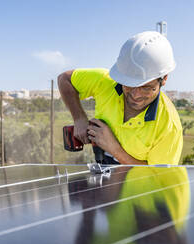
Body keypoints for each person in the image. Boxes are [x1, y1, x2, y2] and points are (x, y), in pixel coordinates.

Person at [58, 31, 182, 165]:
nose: (135, 95)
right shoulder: (105, 82)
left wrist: (114, 148)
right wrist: (79, 118)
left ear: (164, 79)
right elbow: (64, 79)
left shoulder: (169, 126)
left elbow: (156, 176)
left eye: (146, 87)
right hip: (104, 173)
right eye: (128, 84)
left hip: (139, 184)